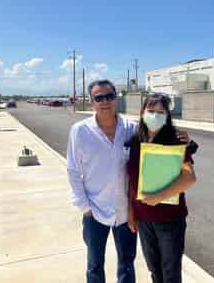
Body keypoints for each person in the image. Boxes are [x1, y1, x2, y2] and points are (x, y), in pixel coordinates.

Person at [67, 80, 195, 283]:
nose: (105, 101)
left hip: (130, 213)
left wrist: (188, 141)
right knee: (95, 265)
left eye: (109, 96)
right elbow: (73, 170)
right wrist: (84, 206)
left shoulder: (131, 130)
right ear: (92, 101)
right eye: (99, 97)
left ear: (115, 98)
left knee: (129, 264)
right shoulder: (81, 131)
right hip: (97, 210)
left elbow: (185, 170)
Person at [127, 93, 196, 283]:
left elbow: (189, 177)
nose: (155, 115)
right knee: (154, 271)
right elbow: (131, 182)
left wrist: (159, 196)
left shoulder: (175, 140)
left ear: (167, 116)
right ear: (142, 113)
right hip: (143, 219)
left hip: (169, 220)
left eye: (160, 112)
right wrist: (131, 214)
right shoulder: (135, 140)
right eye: (151, 111)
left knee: (170, 273)